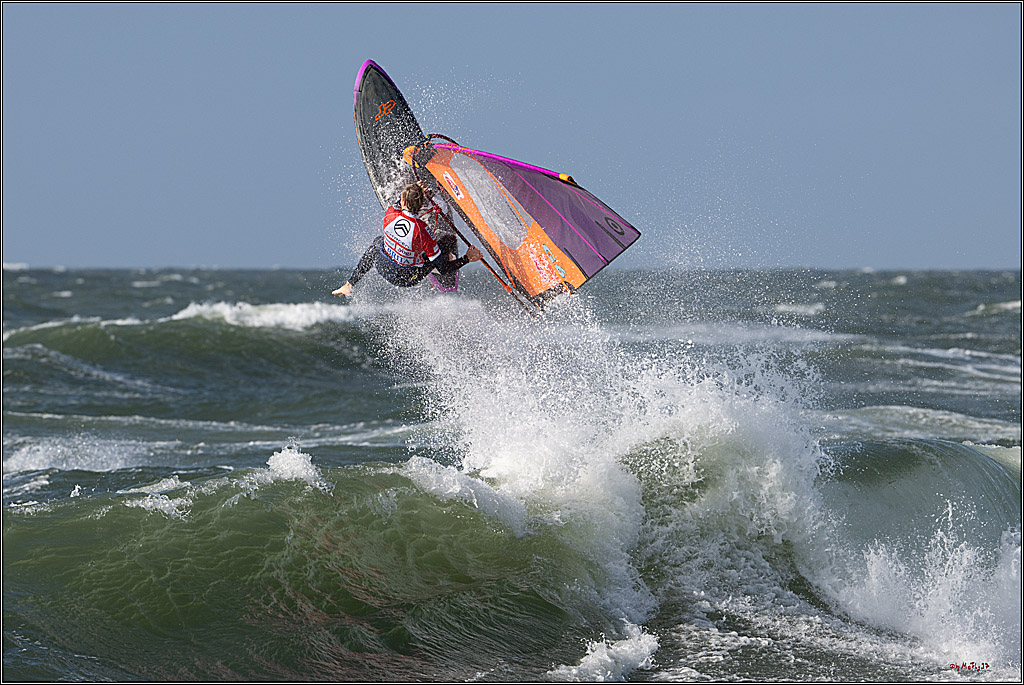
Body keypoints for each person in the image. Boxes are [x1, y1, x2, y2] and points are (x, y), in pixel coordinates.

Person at [332, 181, 481, 297]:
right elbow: (443, 269)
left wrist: (415, 189)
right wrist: (467, 258)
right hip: (406, 279)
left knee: (378, 243)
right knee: (447, 241)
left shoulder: (390, 214)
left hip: (383, 267)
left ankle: (349, 284)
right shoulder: (422, 230)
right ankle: (443, 260)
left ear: (403, 202)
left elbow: (399, 203)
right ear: (422, 203)